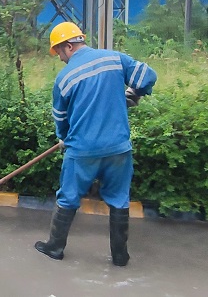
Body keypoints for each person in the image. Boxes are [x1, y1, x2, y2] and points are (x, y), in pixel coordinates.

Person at [35, 22, 157, 267]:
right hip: (118, 149)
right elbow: (147, 76)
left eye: (59, 52)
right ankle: (120, 256)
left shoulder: (65, 78)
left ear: (69, 46)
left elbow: (61, 117)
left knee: (68, 197)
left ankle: (55, 247)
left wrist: (64, 136)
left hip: (83, 150)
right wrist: (134, 93)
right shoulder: (114, 59)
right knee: (119, 198)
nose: (59, 58)